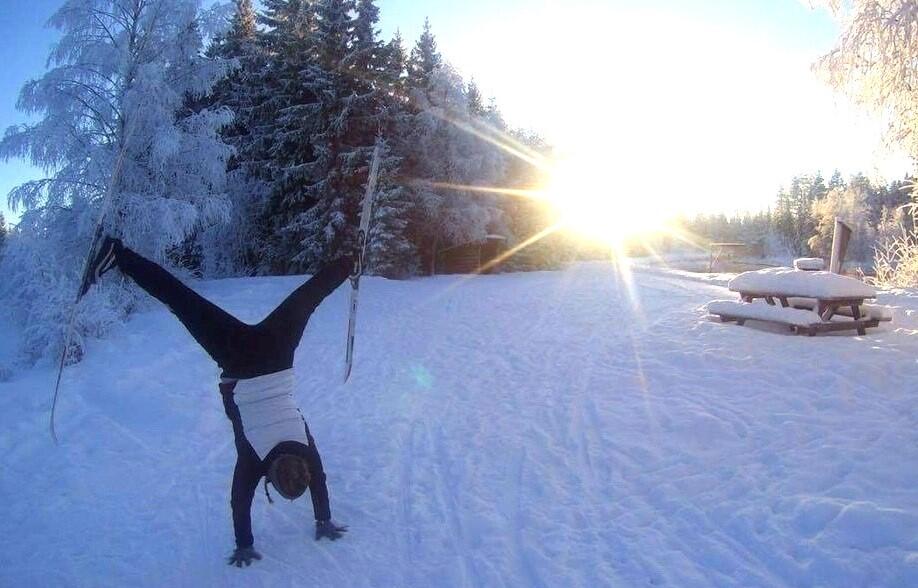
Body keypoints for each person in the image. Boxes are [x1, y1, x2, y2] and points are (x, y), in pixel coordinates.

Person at [84, 236, 351, 567]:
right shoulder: (255, 458)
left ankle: (349, 261)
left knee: (309, 297)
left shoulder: (305, 447)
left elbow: (319, 482)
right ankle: (120, 255)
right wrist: (244, 545)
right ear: (268, 476)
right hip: (237, 357)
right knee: (182, 302)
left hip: (277, 351)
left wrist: (324, 517)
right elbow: (239, 501)